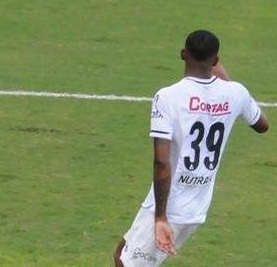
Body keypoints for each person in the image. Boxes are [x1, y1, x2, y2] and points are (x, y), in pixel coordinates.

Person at [114, 29, 269, 266]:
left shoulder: (167, 97)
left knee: (126, 264)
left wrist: (160, 218)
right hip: (196, 201)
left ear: (183, 54)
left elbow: (161, 162)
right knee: (122, 253)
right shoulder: (235, 93)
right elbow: (262, 125)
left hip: (171, 204)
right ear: (215, 60)